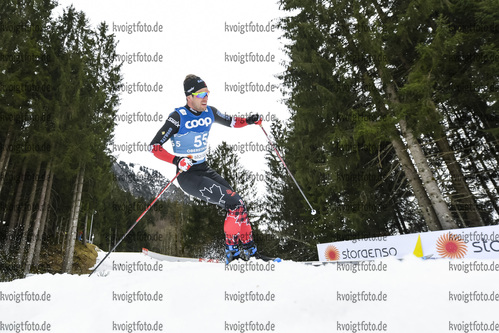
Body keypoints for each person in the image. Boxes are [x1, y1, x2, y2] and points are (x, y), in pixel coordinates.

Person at [149, 74, 263, 264]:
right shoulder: (177, 117)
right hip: (188, 176)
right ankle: (232, 256)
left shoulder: (210, 112)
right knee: (234, 204)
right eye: (201, 93)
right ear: (189, 97)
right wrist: (176, 160)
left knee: (238, 204)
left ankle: (251, 253)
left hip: (204, 169)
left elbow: (232, 121)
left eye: (207, 93)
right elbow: (154, 147)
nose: (205, 97)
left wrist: (250, 120)